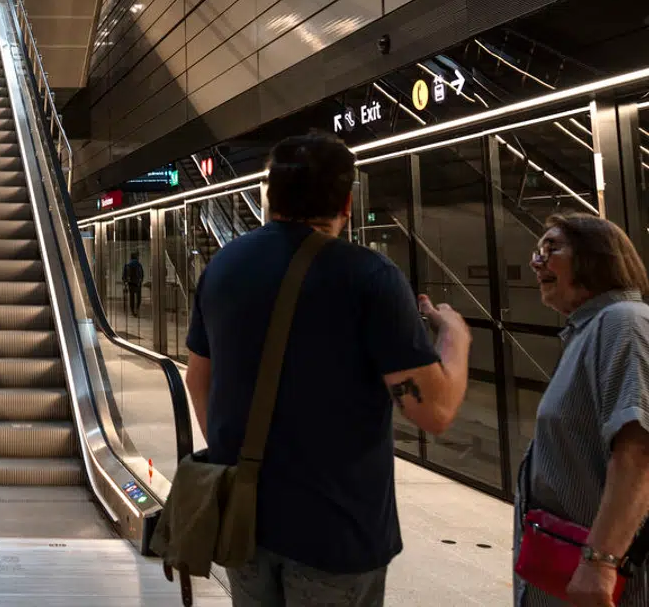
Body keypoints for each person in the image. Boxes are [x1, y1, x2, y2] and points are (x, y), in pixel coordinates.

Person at [185, 132, 471, 607]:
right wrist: (454, 339)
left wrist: (236, 460)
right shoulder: (370, 277)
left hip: (245, 519)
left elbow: (199, 380)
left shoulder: (224, 266)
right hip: (336, 529)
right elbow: (434, 411)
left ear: (270, 196)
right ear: (347, 202)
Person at [516, 214, 649, 607]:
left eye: (551, 248)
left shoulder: (623, 323)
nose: (536, 262)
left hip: (604, 582)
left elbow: (639, 451)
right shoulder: (587, 330)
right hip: (567, 568)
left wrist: (601, 562)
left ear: (596, 257)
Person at [123, 251, 145, 318]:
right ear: (136, 257)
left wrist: (125, 282)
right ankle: (137, 309)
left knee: (131, 297)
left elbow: (124, 276)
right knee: (138, 297)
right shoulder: (139, 265)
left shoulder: (128, 265)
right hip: (138, 283)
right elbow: (142, 274)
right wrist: (141, 280)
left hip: (131, 284)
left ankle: (132, 311)